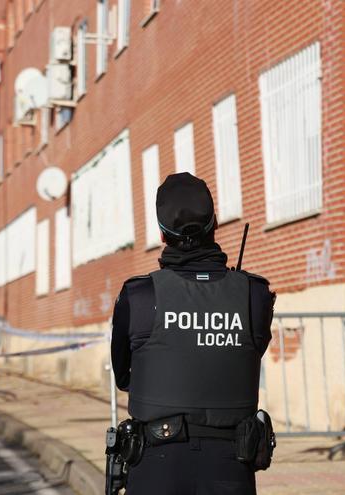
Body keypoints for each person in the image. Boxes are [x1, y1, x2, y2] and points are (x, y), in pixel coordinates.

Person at [111, 172, 275, 495]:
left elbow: (124, 376)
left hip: (156, 467)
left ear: (161, 234)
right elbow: (248, 354)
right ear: (215, 224)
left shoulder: (139, 296)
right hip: (231, 470)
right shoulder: (254, 295)